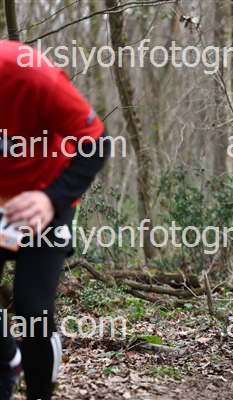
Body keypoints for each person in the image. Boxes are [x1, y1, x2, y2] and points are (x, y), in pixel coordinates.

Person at [0, 40, 108, 399]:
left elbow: (97, 143)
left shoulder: (31, 73)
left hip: (46, 194)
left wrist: (50, 199)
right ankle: (8, 359)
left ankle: (40, 392)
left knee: (32, 308)